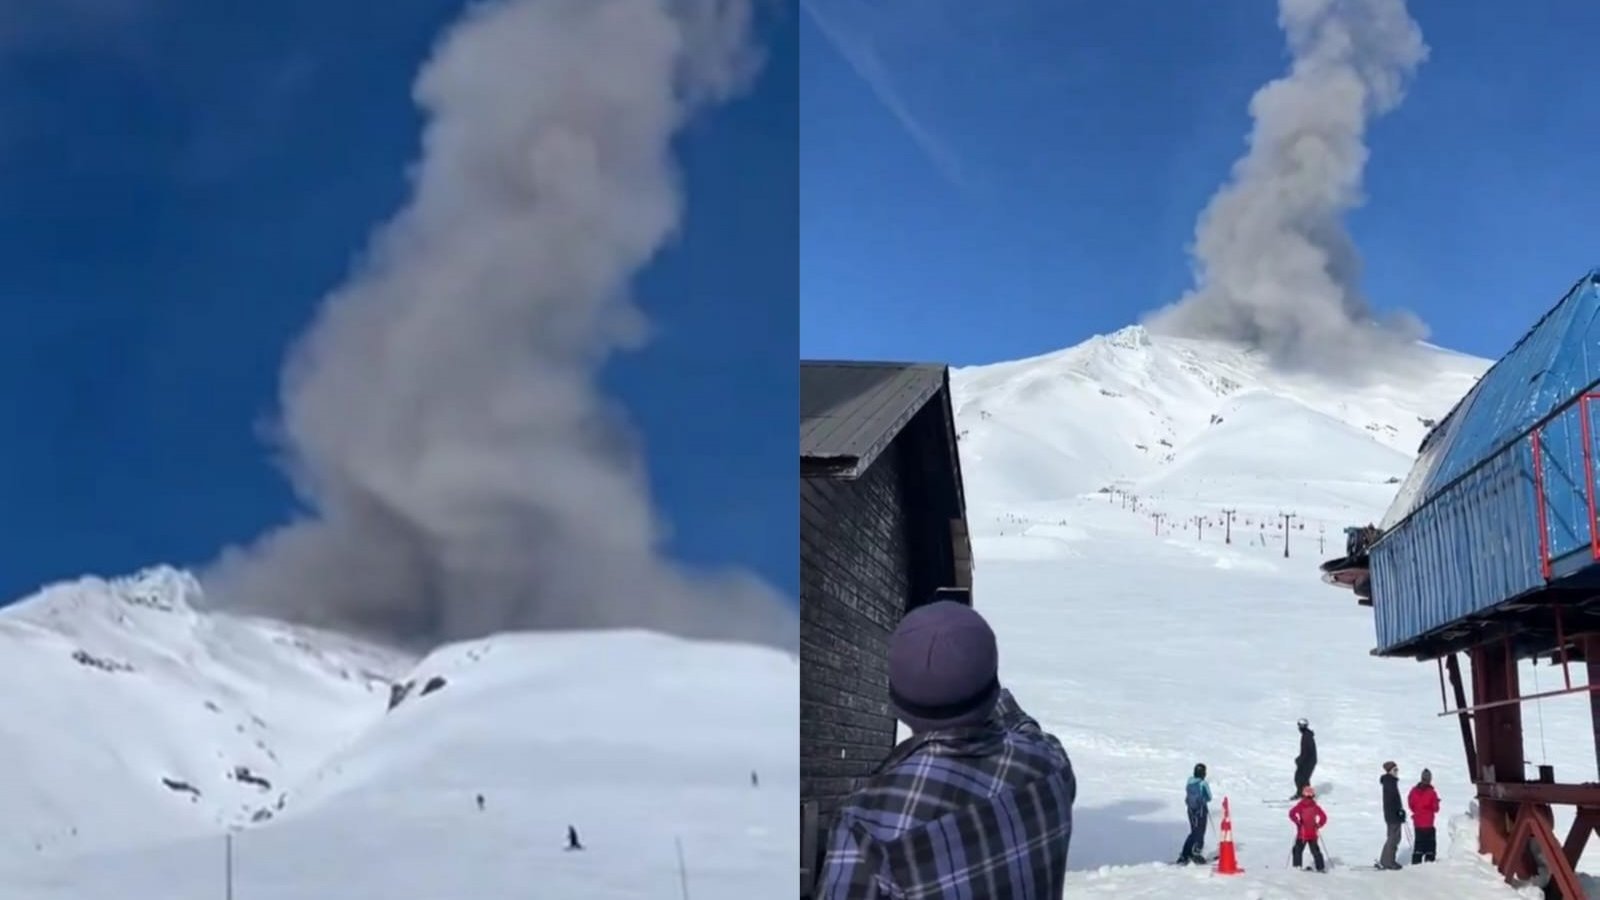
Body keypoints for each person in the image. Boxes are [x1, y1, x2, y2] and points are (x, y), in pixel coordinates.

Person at [814, 600, 1077, 899]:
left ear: (897, 705)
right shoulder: (1050, 765)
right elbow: (1025, 727)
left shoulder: (868, 823)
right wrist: (978, 681)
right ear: (991, 689)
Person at [1176, 763, 1212, 865]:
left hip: (1191, 811)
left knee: (1194, 832)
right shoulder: (1203, 783)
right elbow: (1209, 797)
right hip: (1200, 811)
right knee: (1200, 831)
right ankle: (1196, 853)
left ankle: (1185, 853)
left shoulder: (1189, 782)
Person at [1288, 785, 1328, 872]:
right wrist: (1318, 825)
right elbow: (1324, 817)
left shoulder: (1301, 805)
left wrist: (1298, 822)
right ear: (1313, 796)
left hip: (1302, 834)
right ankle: (1320, 867)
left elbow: (1291, 813)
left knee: (1297, 850)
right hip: (1313, 833)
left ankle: (1297, 867)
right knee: (1315, 851)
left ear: (1303, 795)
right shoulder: (1315, 806)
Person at [1408, 768, 1440, 864]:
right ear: (1430, 779)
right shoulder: (1432, 793)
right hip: (1429, 823)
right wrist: (1437, 802)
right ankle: (1429, 863)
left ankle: (1416, 863)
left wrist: (1417, 811)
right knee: (1430, 846)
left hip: (1417, 823)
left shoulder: (1413, 791)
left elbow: (1411, 804)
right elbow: (1436, 809)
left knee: (1418, 845)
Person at [1378, 760, 1405, 869]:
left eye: (1397, 769)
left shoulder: (1391, 781)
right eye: (1395, 769)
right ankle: (1388, 861)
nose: (1397, 771)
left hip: (1392, 814)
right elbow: (1391, 801)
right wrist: (1398, 811)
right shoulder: (1390, 782)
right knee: (1393, 838)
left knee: (1394, 837)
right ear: (1389, 771)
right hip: (1392, 815)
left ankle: (1388, 860)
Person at [1291, 719, 1317, 799]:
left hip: (1309, 761)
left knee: (1302, 778)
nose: (1298, 728)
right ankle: (1302, 793)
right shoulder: (1306, 735)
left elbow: (1307, 751)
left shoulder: (1307, 736)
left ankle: (1308, 795)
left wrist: (1299, 760)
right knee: (1301, 777)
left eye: (1299, 726)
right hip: (1307, 760)